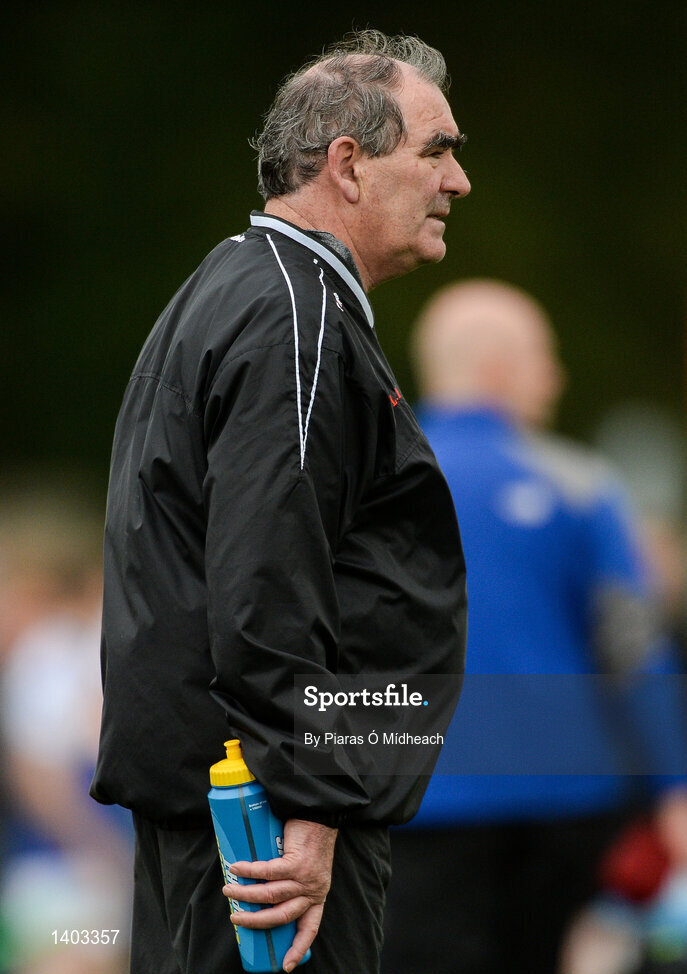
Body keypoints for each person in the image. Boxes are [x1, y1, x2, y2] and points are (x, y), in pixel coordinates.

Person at [90, 30, 470, 974]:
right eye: (436, 149)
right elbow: (267, 578)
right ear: (347, 163)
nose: (457, 181)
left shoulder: (244, 288)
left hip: (230, 801)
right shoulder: (294, 314)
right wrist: (312, 798)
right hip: (262, 824)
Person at [381, 279, 687, 974]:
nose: (557, 377)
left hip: (413, 794)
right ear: (498, 366)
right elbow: (632, 643)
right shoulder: (578, 483)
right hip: (561, 800)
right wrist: (673, 780)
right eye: (545, 357)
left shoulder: (365, 480)